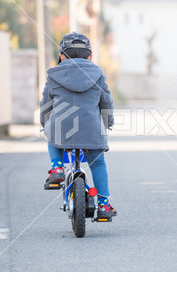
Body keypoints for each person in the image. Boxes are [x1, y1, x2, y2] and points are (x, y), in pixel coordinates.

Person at [39, 32, 116, 218]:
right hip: (91, 130)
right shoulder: (98, 74)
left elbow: (46, 105)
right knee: (98, 164)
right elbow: (106, 102)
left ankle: (57, 168)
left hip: (62, 128)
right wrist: (108, 122)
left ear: (61, 56)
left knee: (52, 132)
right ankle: (104, 205)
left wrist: (44, 123)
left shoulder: (53, 75)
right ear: (90, 56)